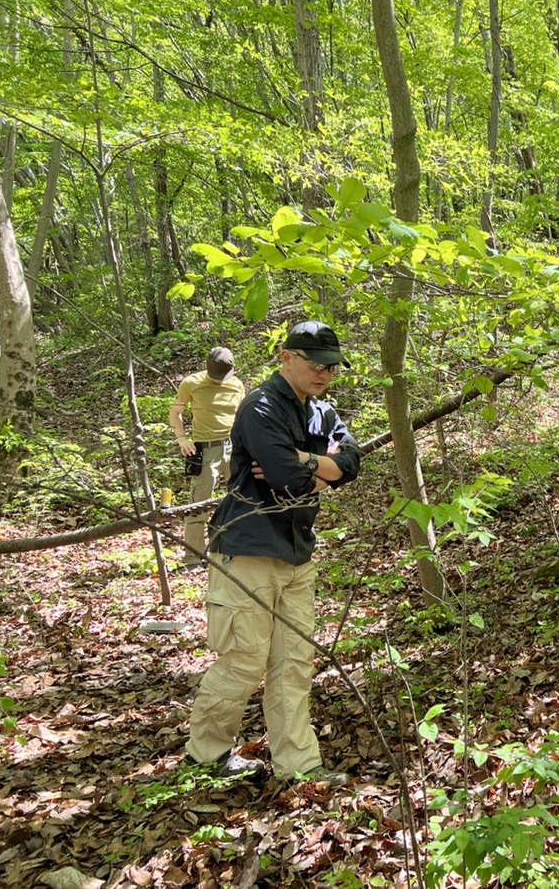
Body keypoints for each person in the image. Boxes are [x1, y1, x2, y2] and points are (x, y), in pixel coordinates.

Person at [183, 321, 361, 785]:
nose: (324, 373)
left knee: (294, 663)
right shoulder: (260, 405)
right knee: (243, 660)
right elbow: (284, 477)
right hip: (249, 548)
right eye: (315, 363)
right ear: (286, 357)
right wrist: (320, 471)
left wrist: (307, 463)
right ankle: (205, 756)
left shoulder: (321, 410)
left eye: (332, 366)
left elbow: (351, 461)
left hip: (298, 550)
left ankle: (298, 766)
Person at [168, 347, 246, 571]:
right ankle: (193, 557)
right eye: (216, 374)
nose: (220, 380)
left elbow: (243, 415)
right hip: (205, 448)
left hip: (234, 447)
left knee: (240, 499)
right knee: (198, 504)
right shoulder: (191, 383)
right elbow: (175, 413)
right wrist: (182, 439)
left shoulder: (236, 384)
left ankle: (237, 550)